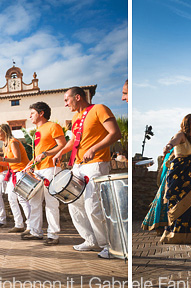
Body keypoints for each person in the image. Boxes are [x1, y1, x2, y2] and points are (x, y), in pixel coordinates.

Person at [52, 86, 121, 253]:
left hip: (96, 163)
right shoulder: (75, 118)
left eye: (67, 100)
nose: (66, 104)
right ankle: (90, 240)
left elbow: (115, 133)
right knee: (73, 203)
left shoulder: (99, 109)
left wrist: (94, 148)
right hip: (78, 165)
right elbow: (74, 141)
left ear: (77, 97)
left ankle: (107, 245)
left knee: (93, 205)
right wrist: (61, 151)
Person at [156, 114, 191, 244]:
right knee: (178, 204)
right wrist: (168, 146)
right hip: (180, 177)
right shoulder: (181, 135)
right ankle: (174, 235)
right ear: (186, 122)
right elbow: (172, 142)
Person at [24, 102, 67, 245]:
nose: (30, 116)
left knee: (51, 202)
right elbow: (37, 153)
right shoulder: (37, 131)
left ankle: (53, 235)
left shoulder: (53, 126)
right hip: (38, 170)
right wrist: (29, 164)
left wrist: (46, 153)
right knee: (34, 202)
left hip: (50, 168)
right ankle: (35, 232)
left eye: (32, 113)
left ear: (41, 113)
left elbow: (62, 145)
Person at [0, 124, 30, 231]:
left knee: (22, 200)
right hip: (13, 173)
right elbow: (9, 163)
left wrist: (2, 159)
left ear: (5, 132)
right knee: (11, 199)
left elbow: (17, 159)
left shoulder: (13, 142)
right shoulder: (5, 145)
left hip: (21, 172)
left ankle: (30, 225)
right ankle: (19, 224)